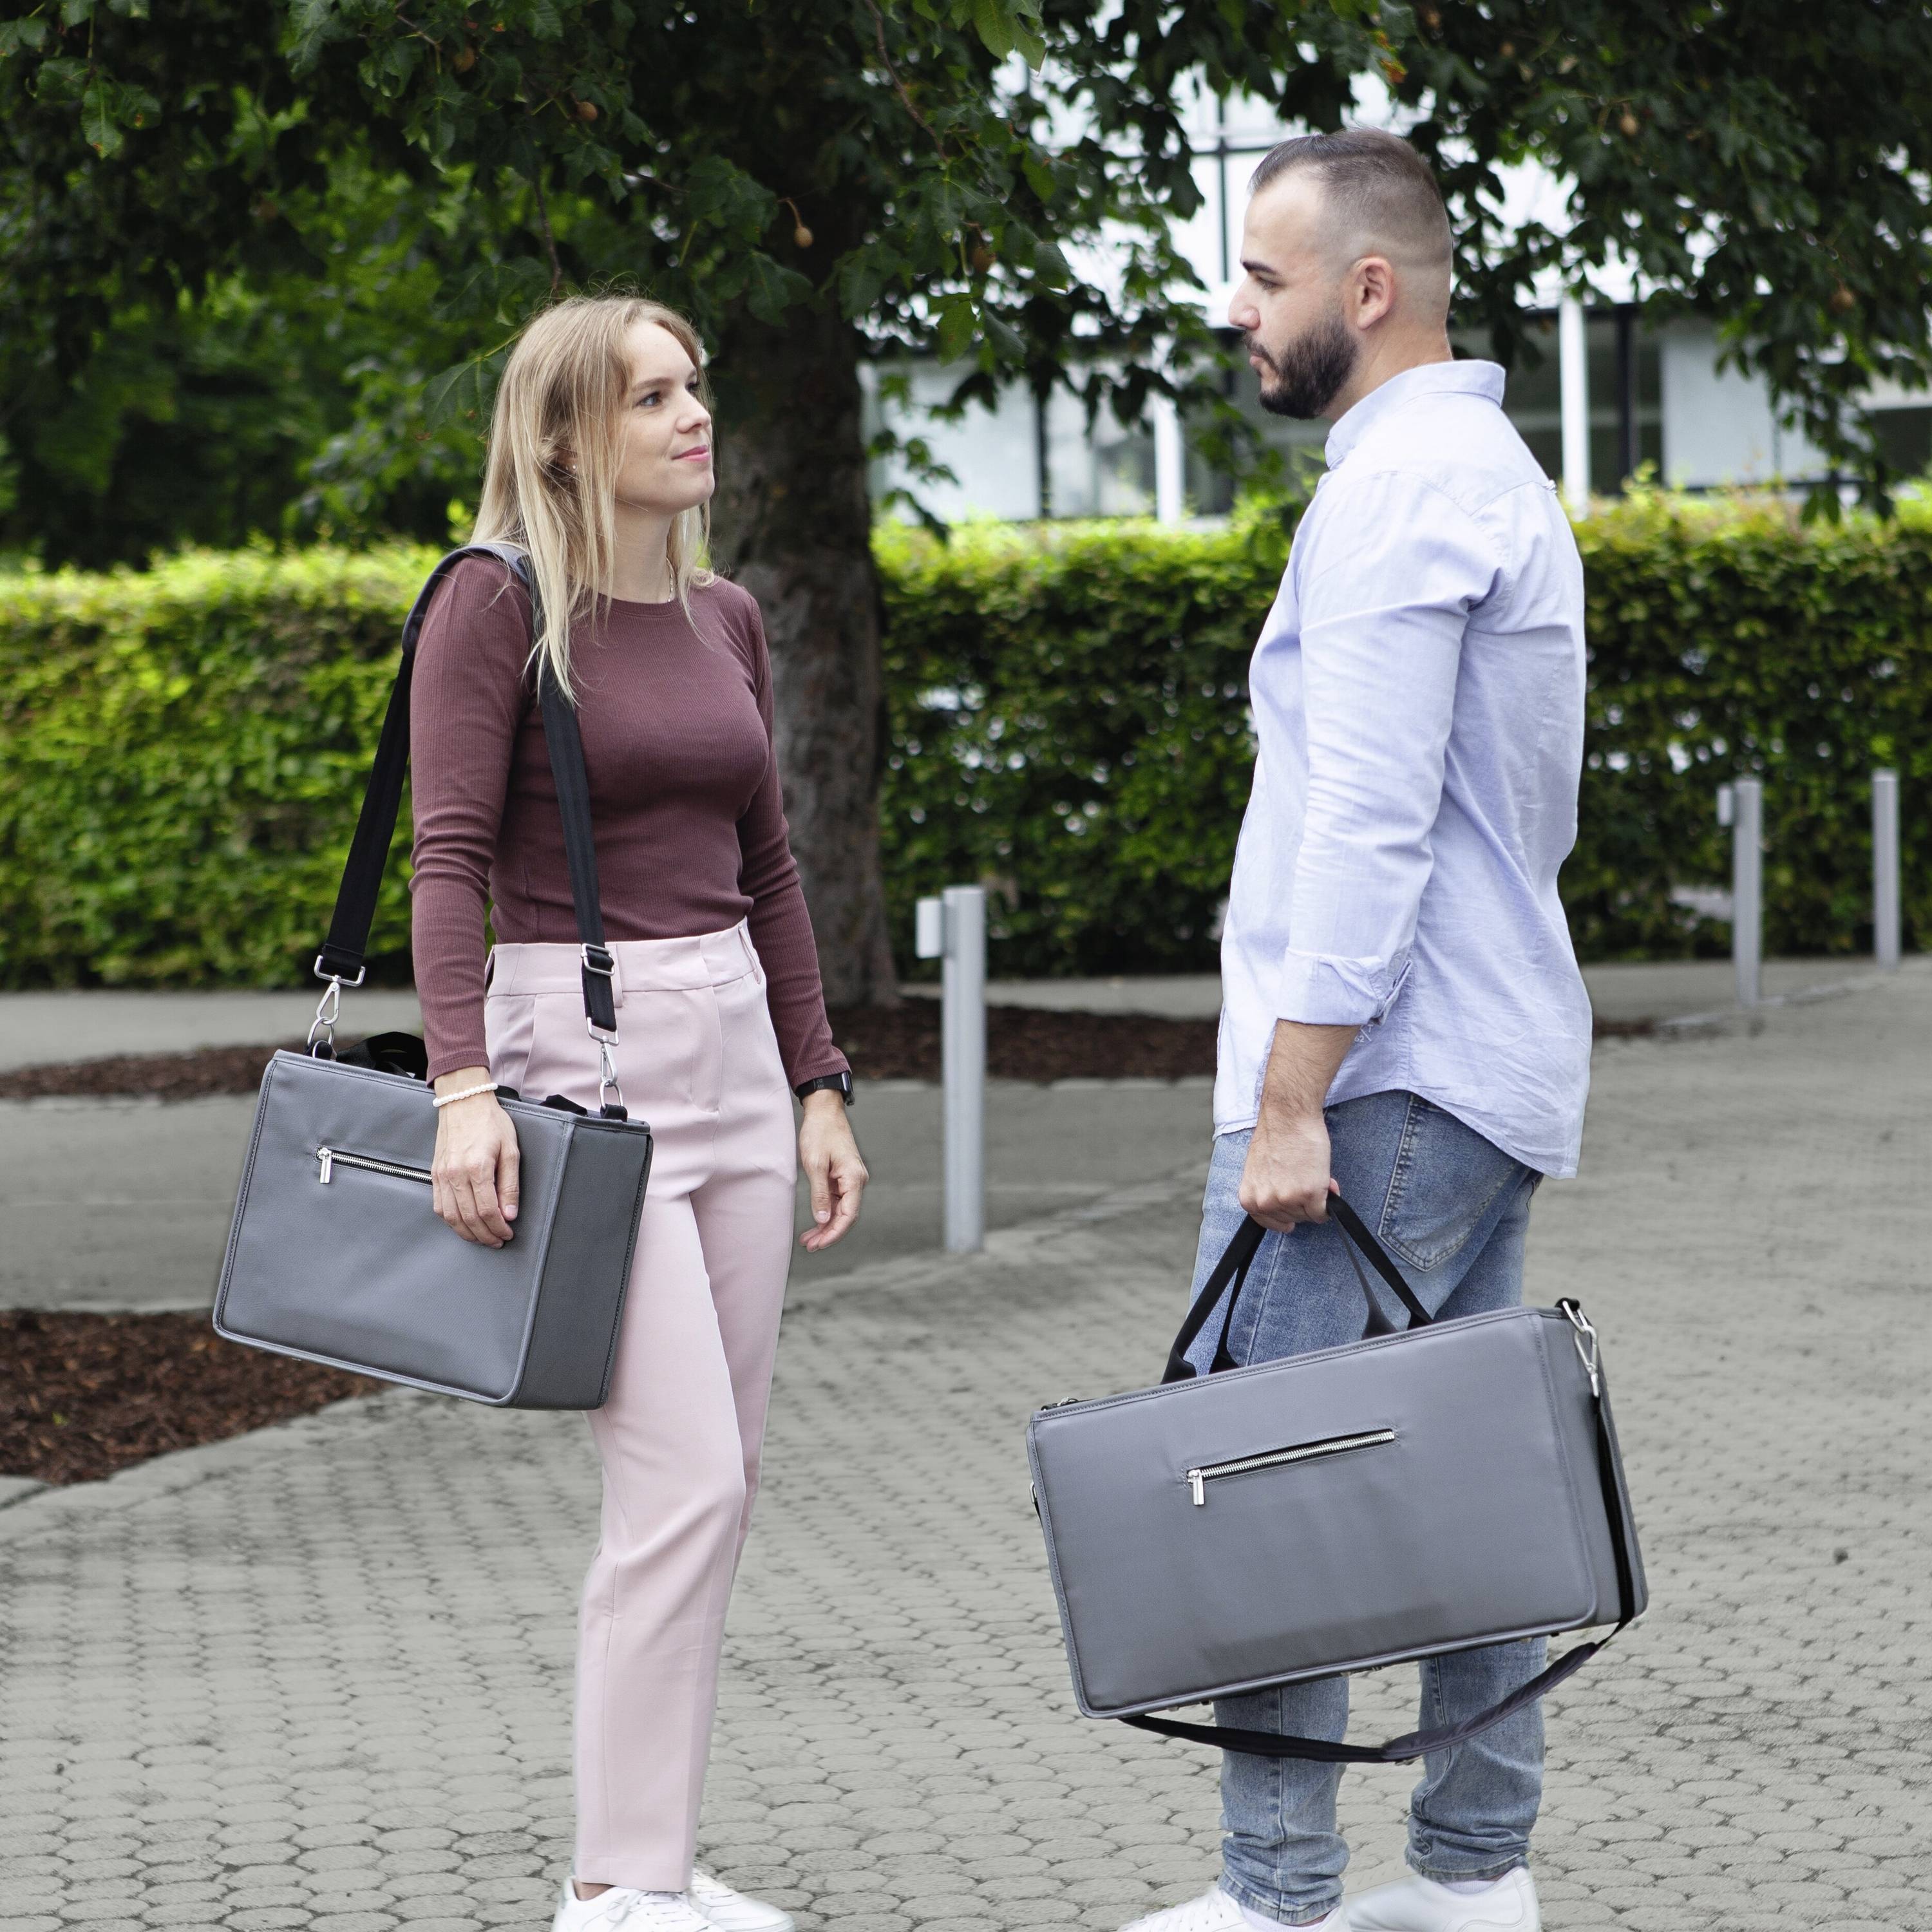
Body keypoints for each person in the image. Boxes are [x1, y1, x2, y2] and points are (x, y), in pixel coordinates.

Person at [1118, 130, 1591, 1932]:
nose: (1238, 309)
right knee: (1467, 1497)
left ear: (1364, 289)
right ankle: (1472, 1885)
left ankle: (1278, 1900)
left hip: (1381, 1082)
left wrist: (1288, 1098)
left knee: (1273, 1491)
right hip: (1478, 1067)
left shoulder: (1399, 494)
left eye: (1264, 275)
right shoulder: (1481, 469)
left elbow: (1372, 821)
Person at [408, 294, 869, 1932]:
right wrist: (459, 1081)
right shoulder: (496, 605)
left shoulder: (727, 616)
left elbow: (772, 867)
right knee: (679, 1483)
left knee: (718, 1476)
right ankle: (619, 1889)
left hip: (736, 1042)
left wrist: (818, 1081)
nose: (694, 417)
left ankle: (640, 1863)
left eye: (698, 388)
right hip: (573, 1053)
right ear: (563, 437)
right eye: (652, 396)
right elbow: (448, 856)